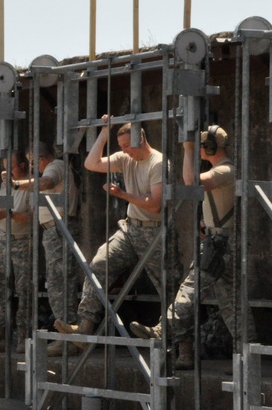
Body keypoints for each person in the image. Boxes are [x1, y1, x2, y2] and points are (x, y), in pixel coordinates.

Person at [130, 126, 256, 370]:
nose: (197, 149)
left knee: (191, 286)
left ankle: (162, 329)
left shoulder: (225, 170)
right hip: (220, 240)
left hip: (220, 244)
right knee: (232, 304)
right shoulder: (223, 171)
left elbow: (191, 183)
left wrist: (187, 149)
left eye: (200, 145)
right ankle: (249, 358)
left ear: (209, 147)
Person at [59, 115, 182, 355]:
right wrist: (104, 133)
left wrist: (122, 195)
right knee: (98, 264)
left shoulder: (159, 163)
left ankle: (181, 347)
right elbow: (91, 164)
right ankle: (85, 327)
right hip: (131, 227)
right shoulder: (126, 157)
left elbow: (155, 205)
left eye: (128, 146)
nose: (124, 151)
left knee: (170, 286)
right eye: (122, 147)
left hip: (156, 230)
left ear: (142, 139)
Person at [10, 142, 78, 354]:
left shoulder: (54, 166)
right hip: (54, 229)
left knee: (59, 284)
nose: (33, 168)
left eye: (33, 163)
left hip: (57, 228)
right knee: (58, 283)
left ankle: (66, 338)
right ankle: (65, 336)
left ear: (40, 159)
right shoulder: (56, 166)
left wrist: (18, 185)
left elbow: (47, 182)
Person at [0, 150, 33, 354]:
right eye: (5, 167)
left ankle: (25, 336)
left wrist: (10, 214)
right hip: (4, 240)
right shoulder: (6, 185)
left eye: (12, 166)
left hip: (24, 241)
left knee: (24, 289)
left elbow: (33, 217)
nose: (8, 171)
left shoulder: (31, 185)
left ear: (23, 165)